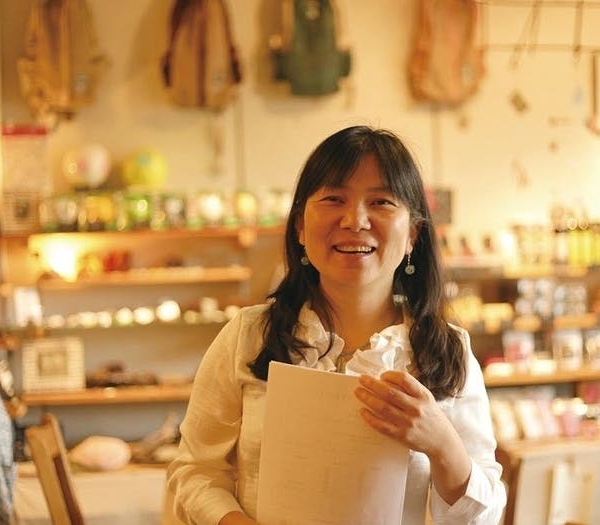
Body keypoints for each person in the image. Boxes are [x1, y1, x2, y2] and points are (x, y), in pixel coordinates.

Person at [167, 125, 506, 524]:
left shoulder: (447, 352)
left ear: (413, 234)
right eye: (333, 199)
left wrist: (442, 443)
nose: (354, 220)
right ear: (300, 226)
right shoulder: (250, 335)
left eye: (381, 201)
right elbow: (196, 470)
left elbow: (485, 515)